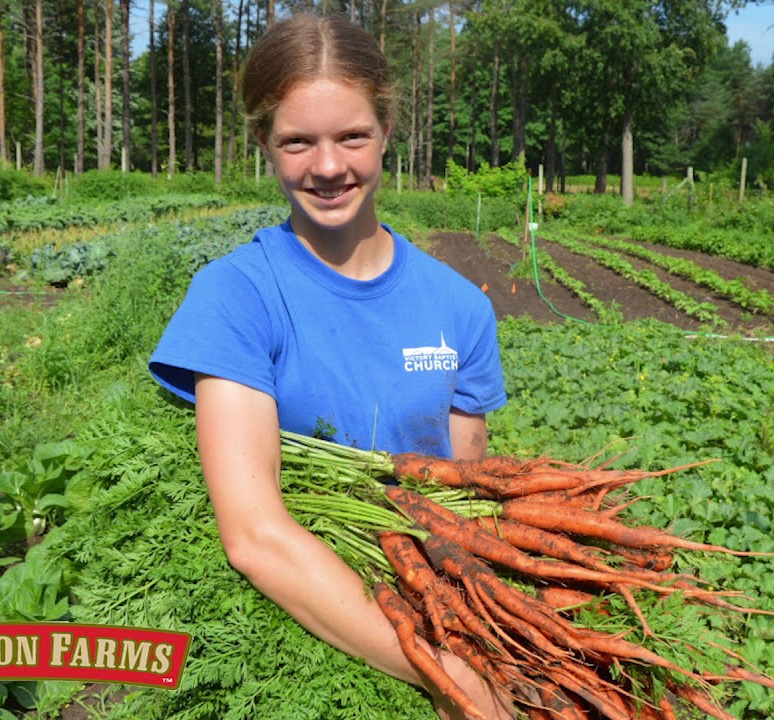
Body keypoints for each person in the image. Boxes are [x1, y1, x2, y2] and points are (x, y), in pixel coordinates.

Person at [147, 13, 512, 720]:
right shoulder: (237, 296)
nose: (328, 166)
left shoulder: (461, 308)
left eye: (352, 135)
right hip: (321, 633)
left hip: (440, 600)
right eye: (296, 141)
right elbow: (256, 534)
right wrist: (447, 676)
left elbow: (462, 499)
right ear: (262, 144)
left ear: (386, 132)